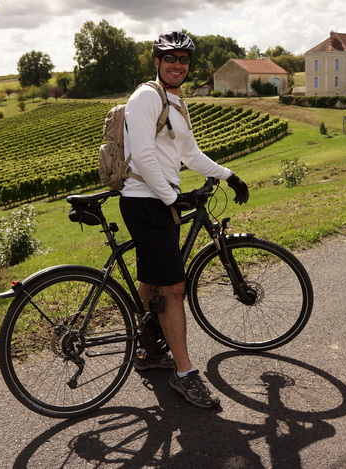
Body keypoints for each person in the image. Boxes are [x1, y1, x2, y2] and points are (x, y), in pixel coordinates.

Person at [119, 31, 249, 409]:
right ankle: (185, 373)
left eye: (184, 60)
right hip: (145, 201)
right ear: (157, 61)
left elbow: (190, 154)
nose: (178, 65)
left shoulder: (174, 103)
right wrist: (172, 197)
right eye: (170, 58)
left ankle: (148, 349)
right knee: (174, 289)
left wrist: (228, 175)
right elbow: (143, 154)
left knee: (153, 281)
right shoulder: (146, 97)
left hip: (154, 201)